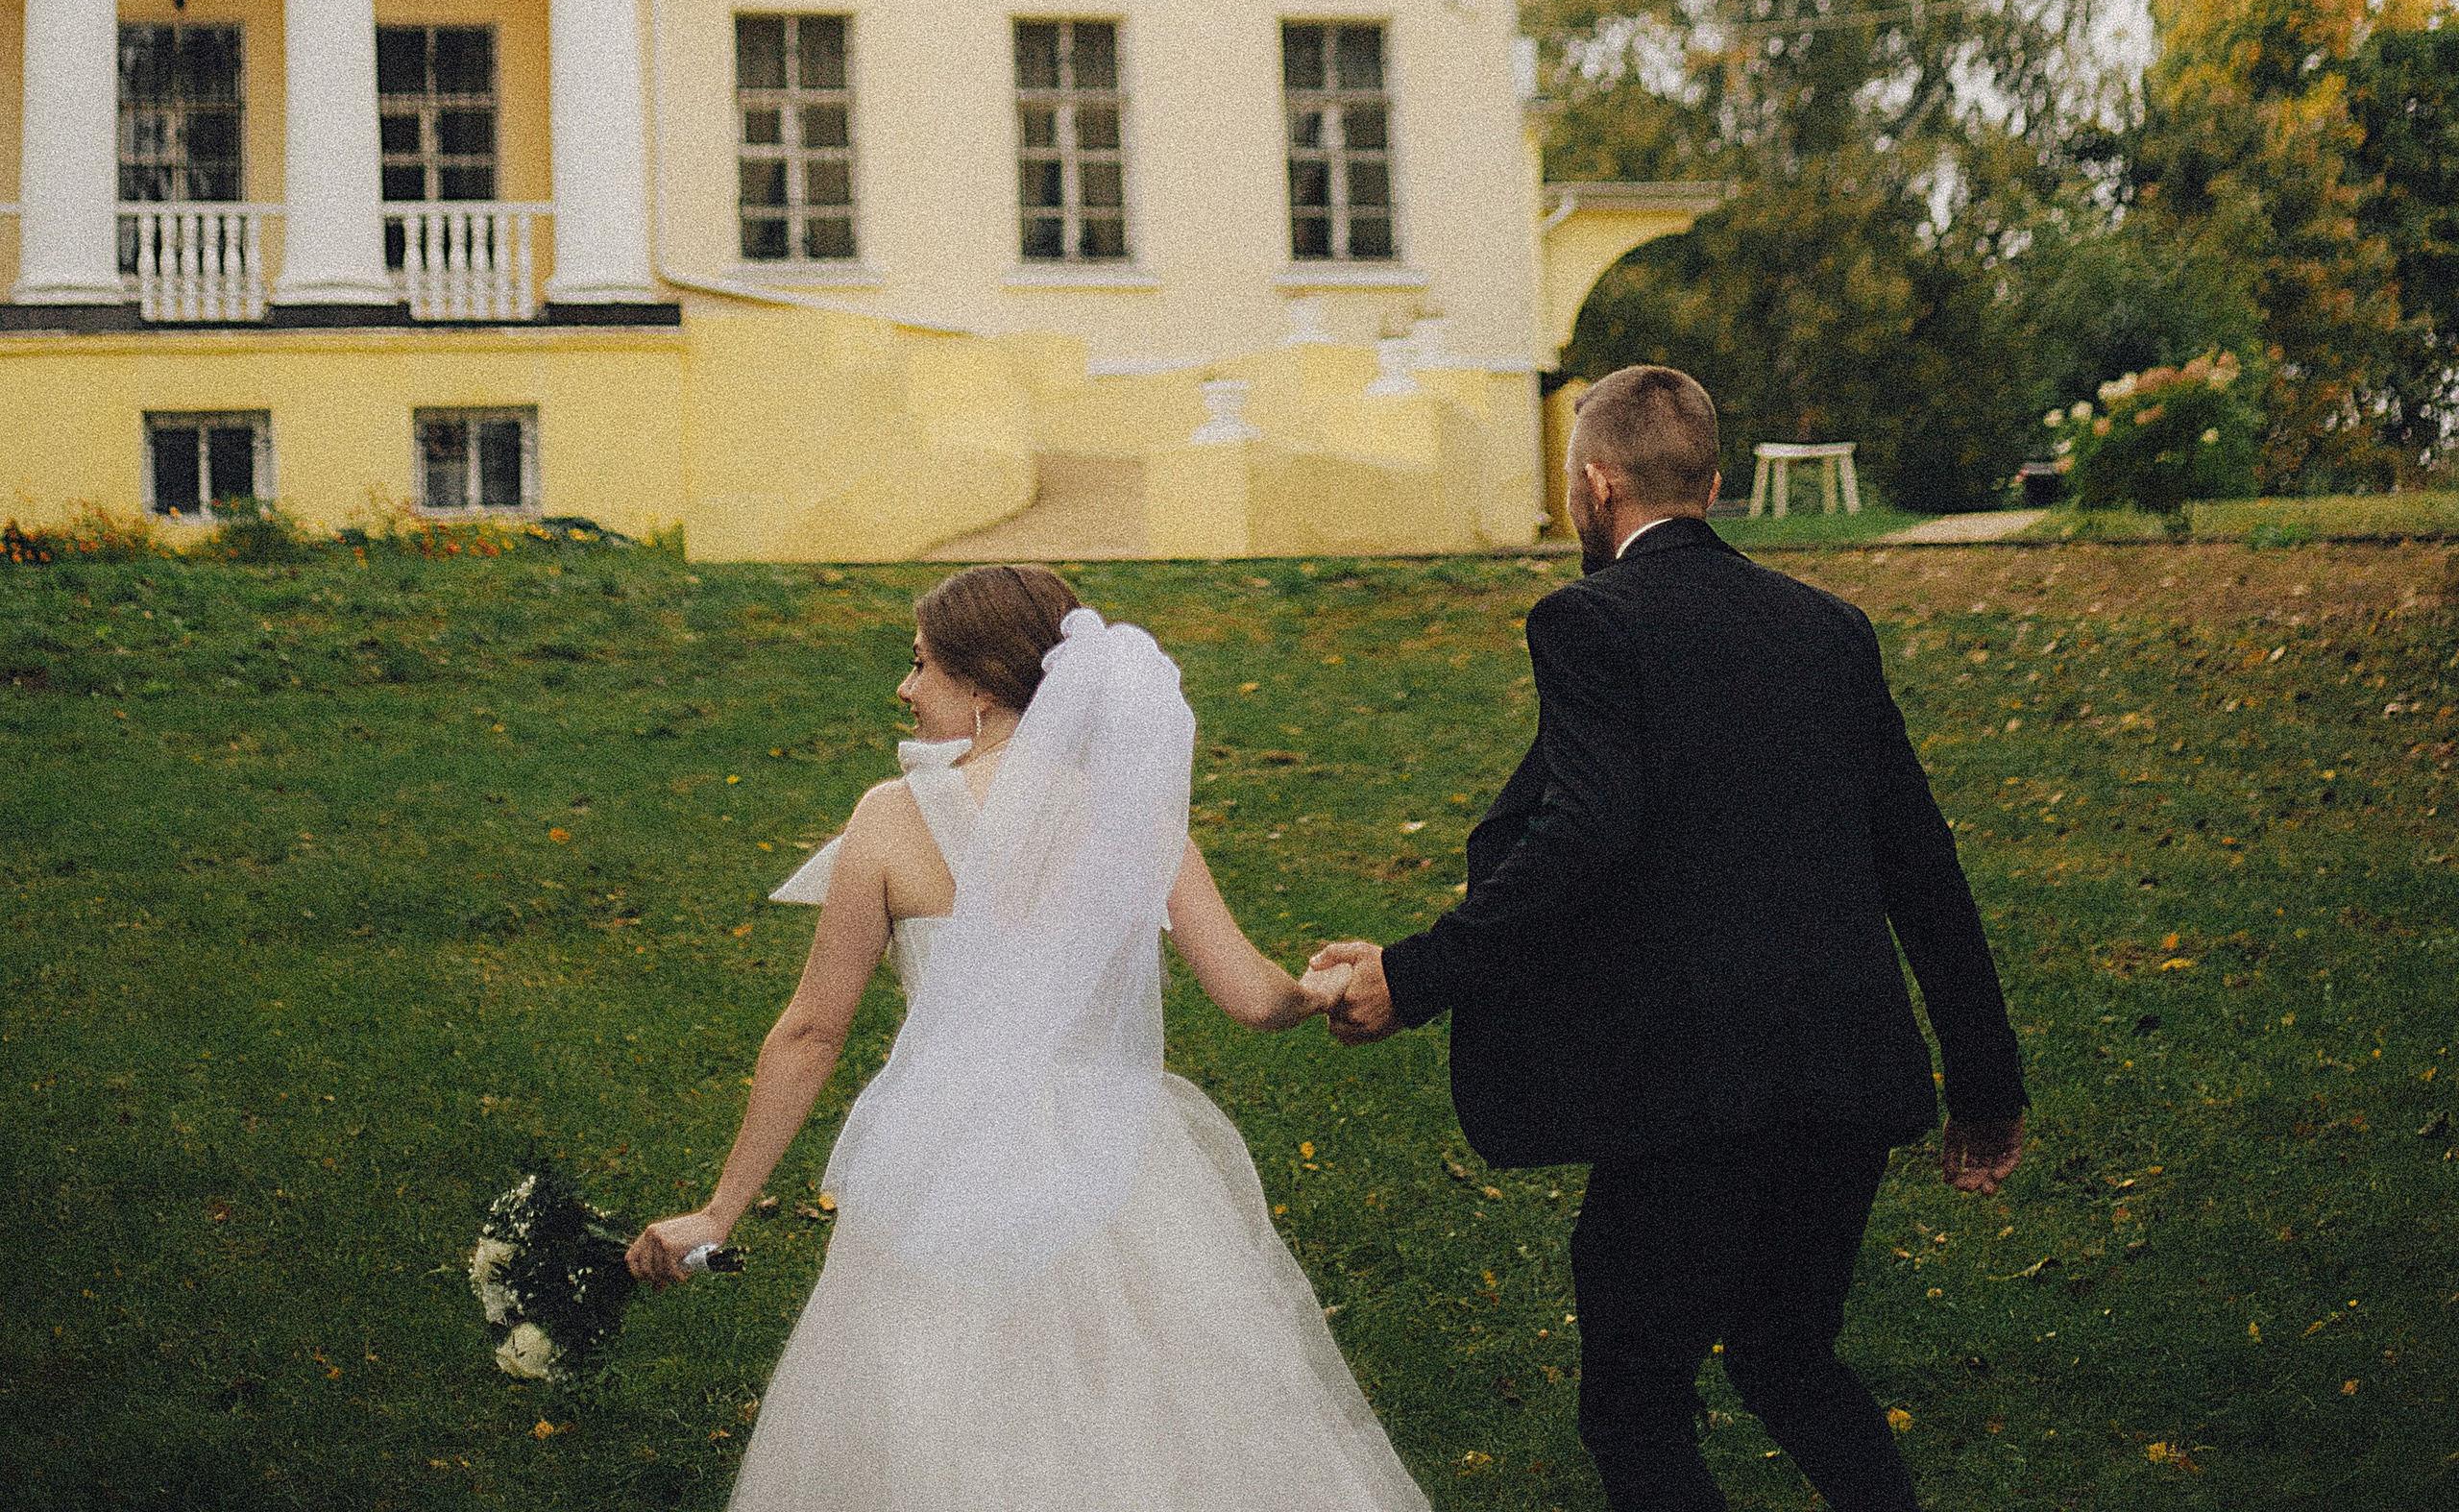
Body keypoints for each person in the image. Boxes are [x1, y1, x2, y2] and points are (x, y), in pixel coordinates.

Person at [1311, 366, 2026, 1512]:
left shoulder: (1589, 621)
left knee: (1634, 1400)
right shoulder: (1830, 629)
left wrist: (1413, 974)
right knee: (1789, 1360)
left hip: (1691, 1090)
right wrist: (1983, 1081)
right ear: (1714, 480)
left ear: (1595, 485)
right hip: (1842, 1070)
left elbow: (1585, 830)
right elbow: (1921, 861)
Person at [628, 561, 1430, 1512]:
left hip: (944, 1159)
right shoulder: (1133, 817)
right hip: (1120, 1158)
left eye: (920, 665)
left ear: (979, 687)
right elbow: (1253, 997)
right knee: (1149, 1411)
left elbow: (809, 1033)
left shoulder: (888, 823)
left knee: (942, 1407)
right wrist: (1323, 986)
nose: (904, 687)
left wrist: (719, 1213)